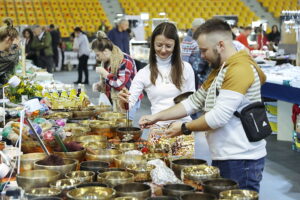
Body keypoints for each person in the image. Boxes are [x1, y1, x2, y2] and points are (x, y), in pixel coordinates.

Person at [139, 18, 266, 192]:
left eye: (204, 50)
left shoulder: (239, 69)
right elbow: (193, 102)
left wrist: (184, 127)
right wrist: (156, 117)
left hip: (241, 159)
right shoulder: (222, 69)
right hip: (226, 156)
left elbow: (218, 117)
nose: (202, 55)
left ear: (220, 45)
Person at [119, 22, 195, 145]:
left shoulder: (186, 68)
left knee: (182, 164)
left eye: (168, 46)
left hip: (182, 127)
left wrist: (179, 122)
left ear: (175, 45)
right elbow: (129, 103)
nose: (163, 50)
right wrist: (123, 102)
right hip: (157, 129)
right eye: (159, 45)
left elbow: (192, 103)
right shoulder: (144, 73)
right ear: (153, 44)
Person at [91, 31, 140, 114]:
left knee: (124, 125)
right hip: (114, 100)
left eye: (98, 55)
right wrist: (100, 85)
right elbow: (110, 82)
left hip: (128, 100)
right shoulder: (106, 62)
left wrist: (105, 74)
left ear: (105, 51)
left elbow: (119, 84)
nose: (97, 58)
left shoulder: (124, 60)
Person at [181, 18, 210, 90]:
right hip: (193, 75)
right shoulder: (188, 40)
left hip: (200, 73)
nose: (202, 30)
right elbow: (184, 61)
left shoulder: (199, 38)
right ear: (193, 29)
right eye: (200, 28)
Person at [0, 18, 19, 85]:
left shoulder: (5, 52)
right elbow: (12, 60)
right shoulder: (7, 57)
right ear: (8, 39)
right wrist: (15, 46)